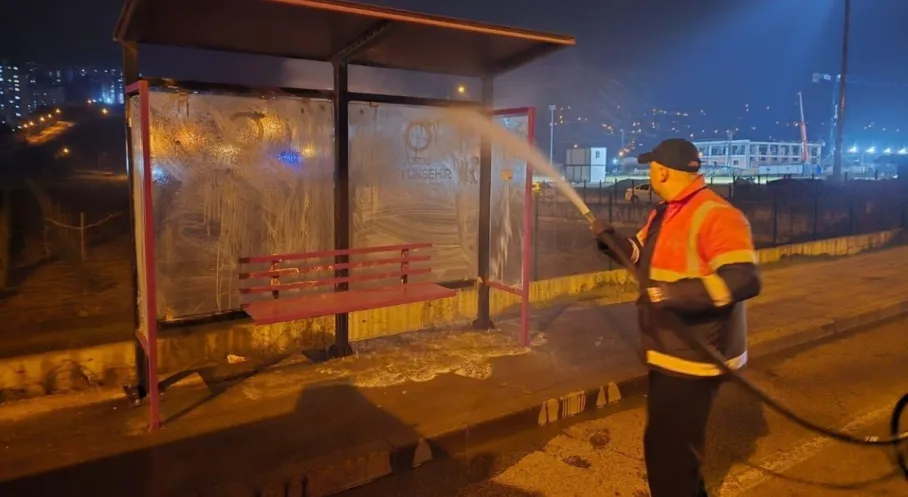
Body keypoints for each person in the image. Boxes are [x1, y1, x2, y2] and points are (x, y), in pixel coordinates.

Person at [591, 138, 762, 497]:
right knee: (671, 451)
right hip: (668, 350)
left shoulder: (716, 214)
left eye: (651, 166)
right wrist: (616, 244)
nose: (648, 172)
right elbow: (641, 253)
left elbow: (743, 278)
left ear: (663, 171)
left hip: (697, 355)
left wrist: (672, 295)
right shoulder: (666, 211)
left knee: (668, 457)